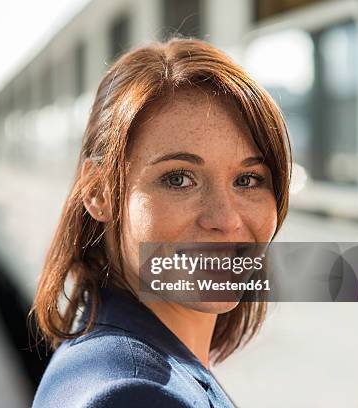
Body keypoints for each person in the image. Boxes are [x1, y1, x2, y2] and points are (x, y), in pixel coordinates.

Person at [30, 38, 291, 407]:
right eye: (179, 178)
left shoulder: (116, 361)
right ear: (98, 192)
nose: (225, 220)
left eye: (248, 180)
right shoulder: (134, 394)